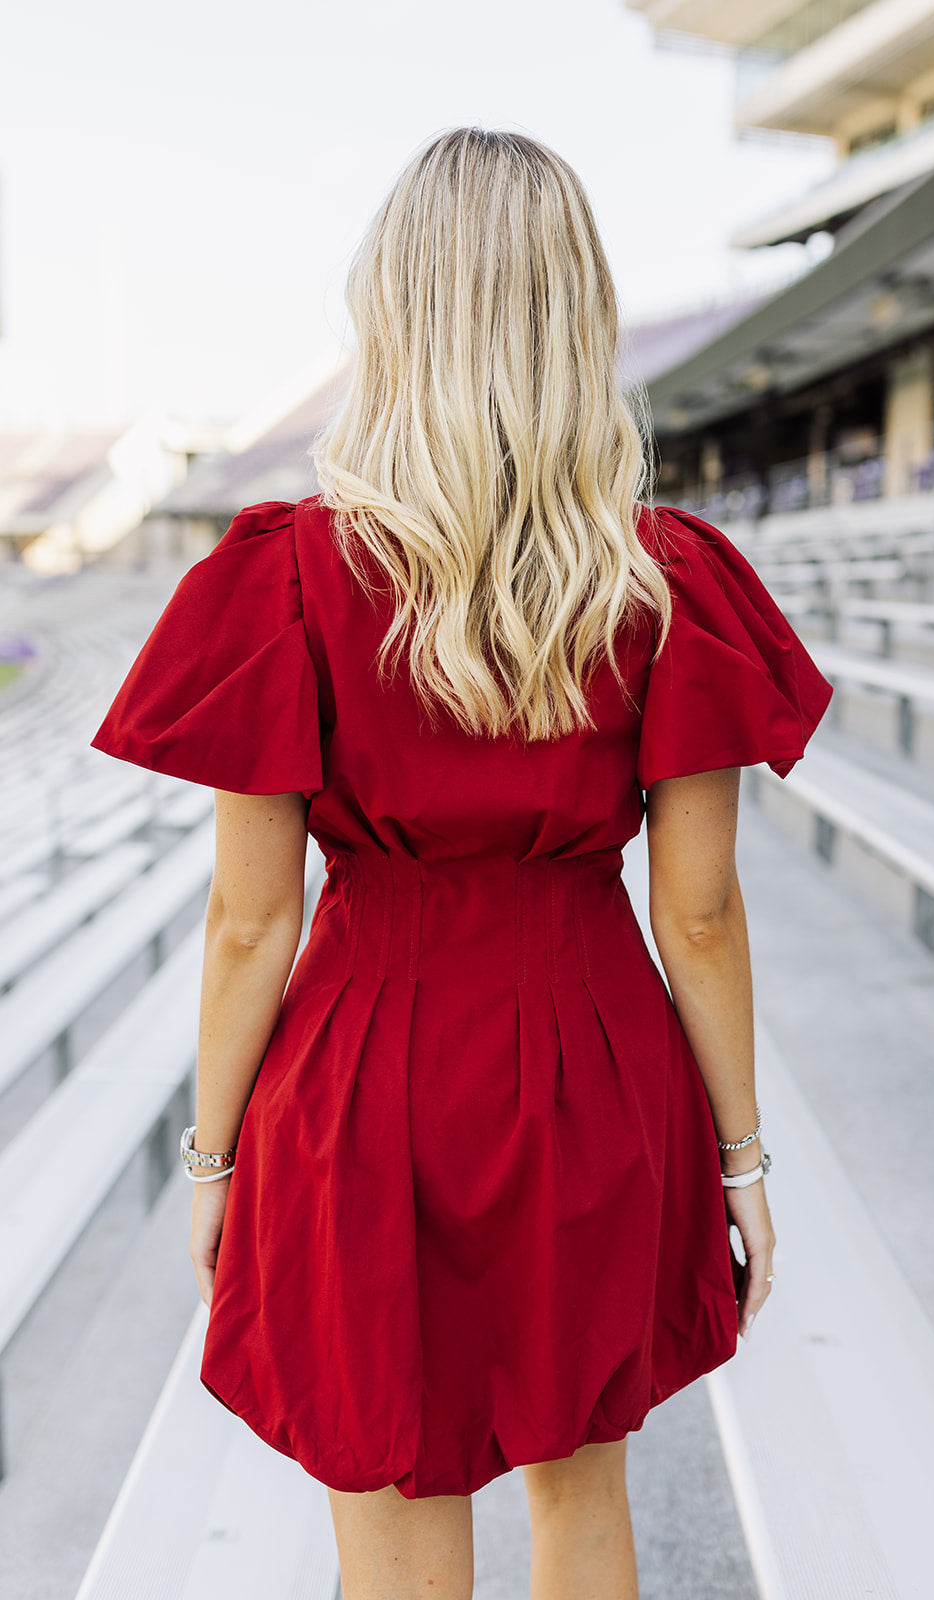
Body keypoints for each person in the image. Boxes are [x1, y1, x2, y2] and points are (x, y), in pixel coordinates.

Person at [90, 126, 833, 1600]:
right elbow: (696, 913)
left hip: (360, 1084)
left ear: (394, 315)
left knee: (391, 1505)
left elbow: (250, 926)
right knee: (586, 1496)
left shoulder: (291, 573)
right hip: (591, 1067)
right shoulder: (663, 578)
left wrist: (215, 1158)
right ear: (579, 321)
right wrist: (741, 1157)